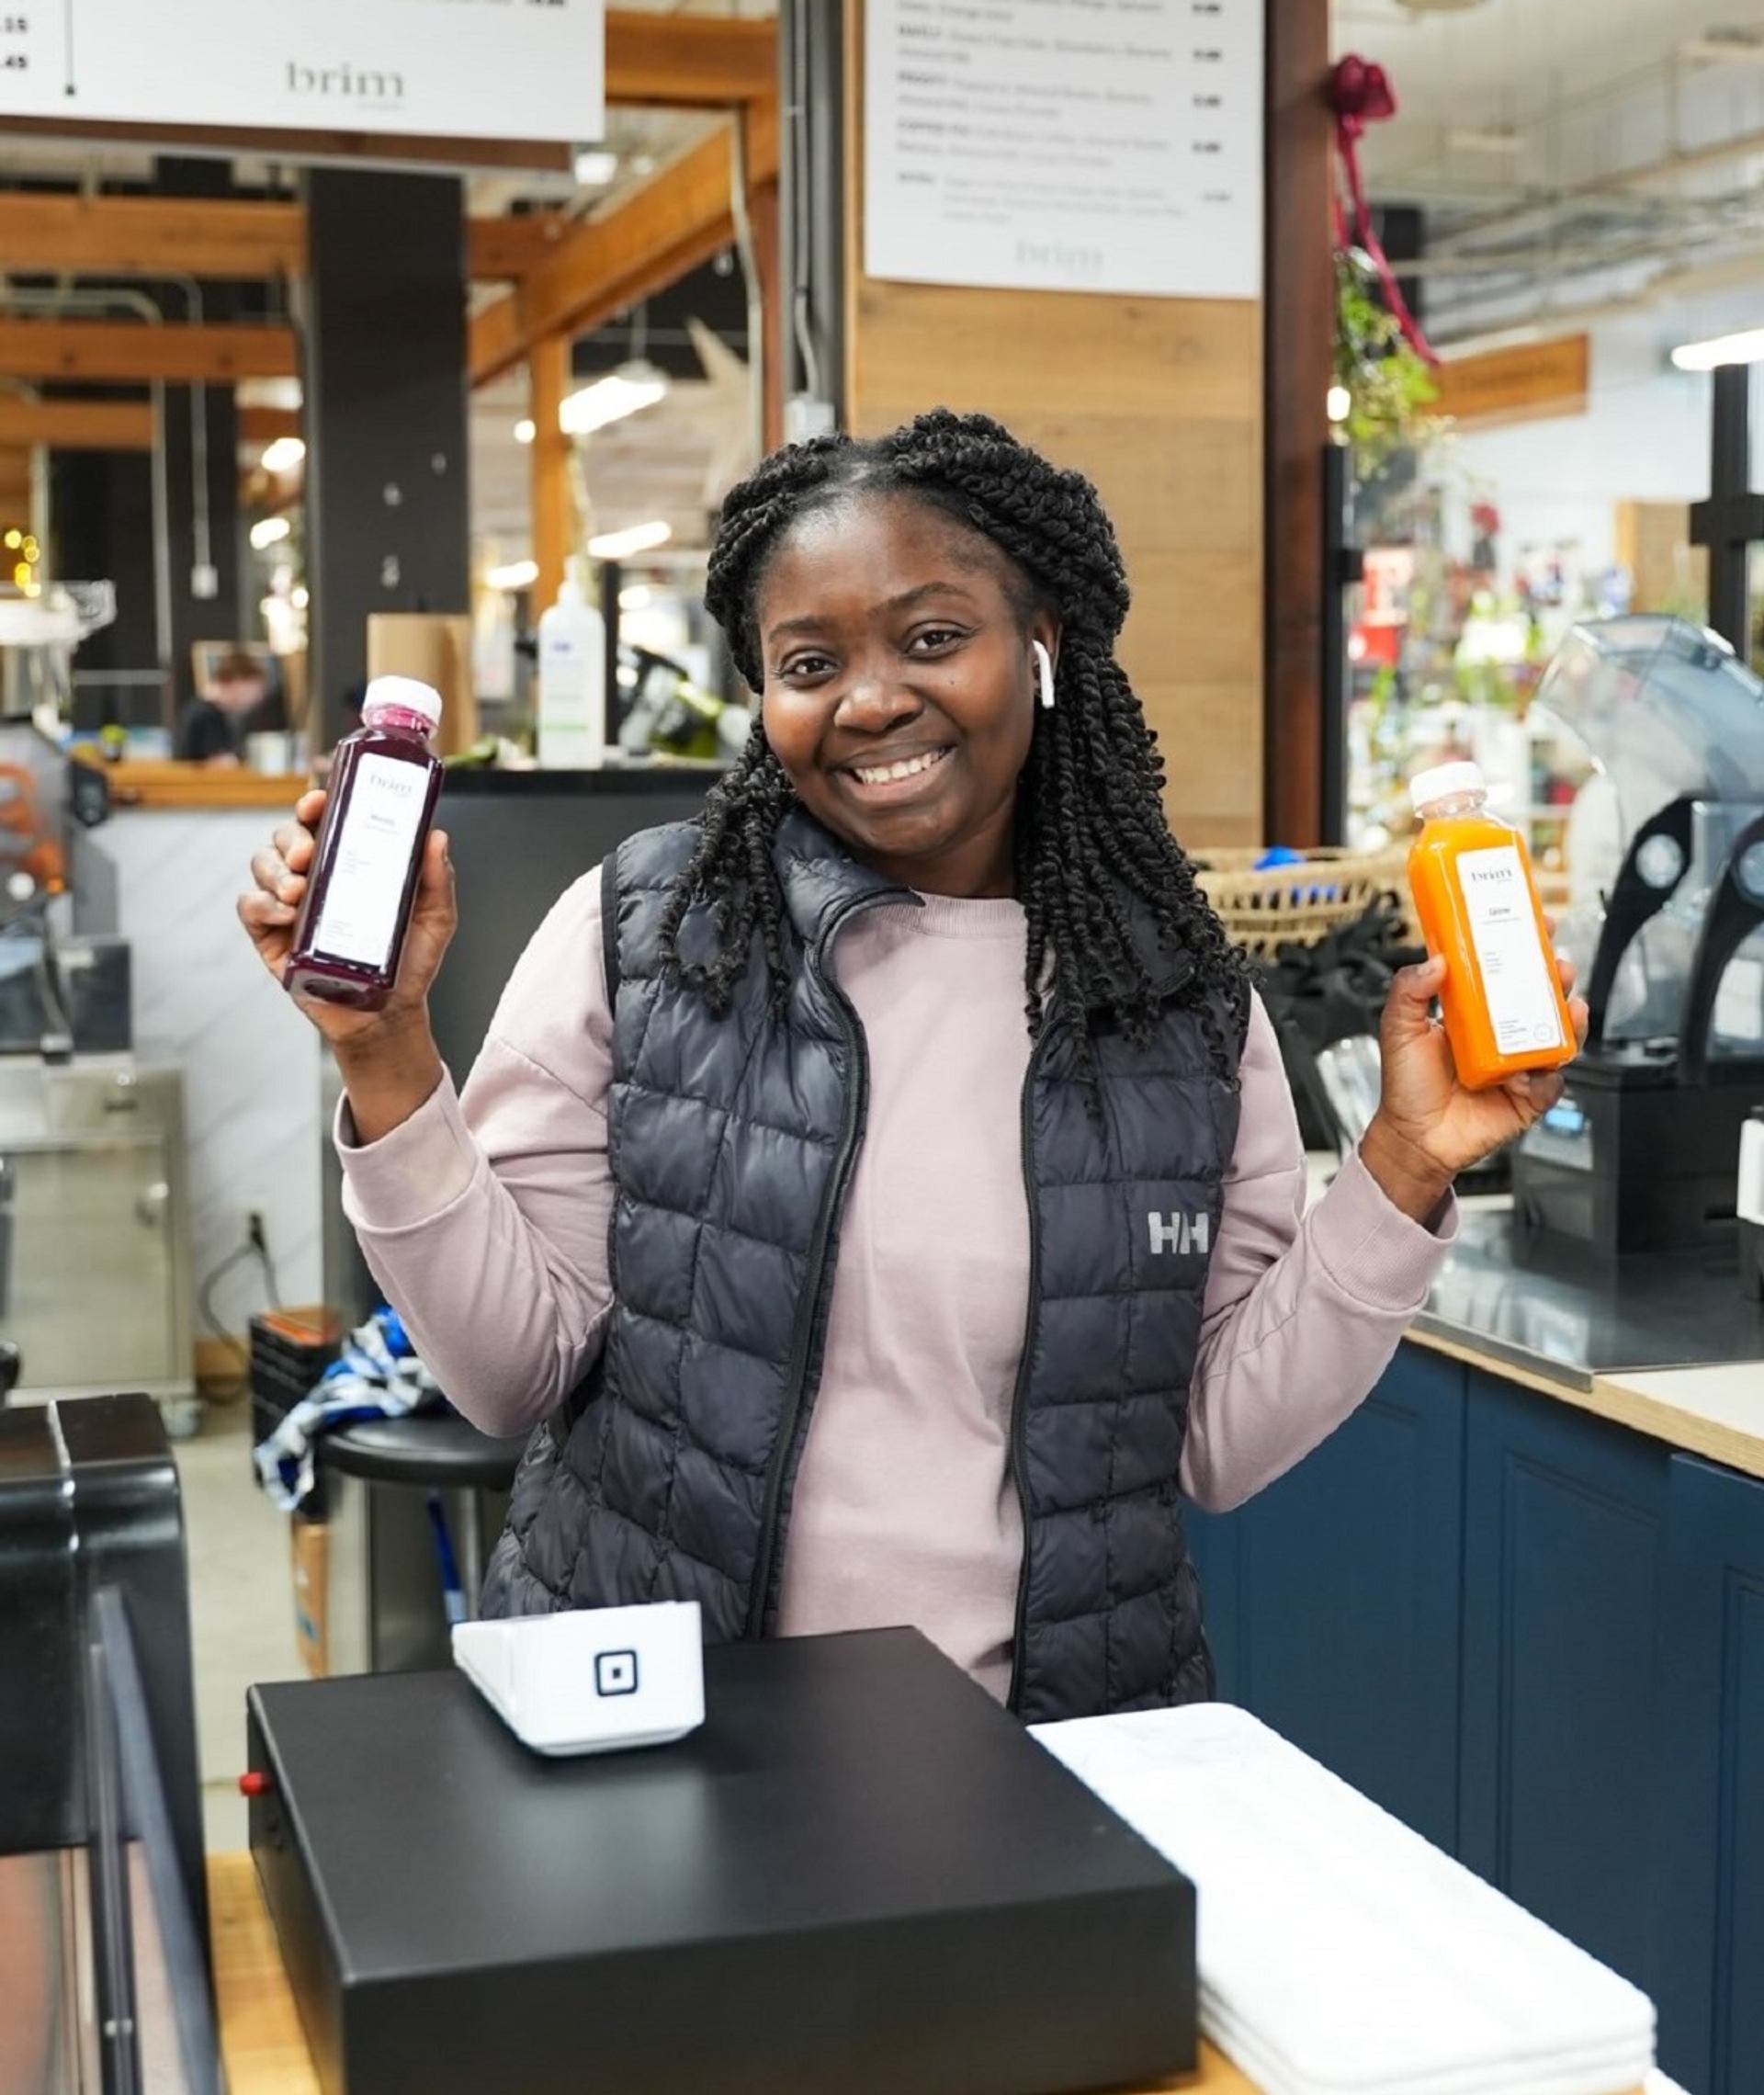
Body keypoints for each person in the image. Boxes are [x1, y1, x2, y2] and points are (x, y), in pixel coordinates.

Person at [240, 410, 1586, 1724]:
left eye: (934, 639)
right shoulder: (646, 937)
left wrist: (1404, 1165)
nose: (873, 701)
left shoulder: (1176, 1006)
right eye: (808, 662)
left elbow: (1214, 1444)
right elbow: (511, 1373)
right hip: (670, 1748)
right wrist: (383, 1047)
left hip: (1052, 1754)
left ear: (1042, 643)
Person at [175, 648, 270, 765]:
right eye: (256, 688)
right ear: (237, 681)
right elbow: (216, 763)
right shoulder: (203, 714)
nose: (259, 697)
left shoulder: (217, 713)